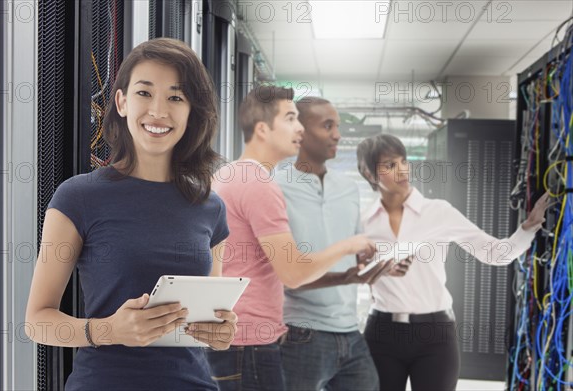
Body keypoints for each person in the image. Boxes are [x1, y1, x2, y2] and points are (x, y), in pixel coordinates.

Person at [25, 38, 238, 390]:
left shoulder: (210, 207)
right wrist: (109, 330)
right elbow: (37, 321)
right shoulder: (78, 196)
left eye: (175, 97)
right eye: (144, 93)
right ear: (122, 101)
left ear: (191, 111)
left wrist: (220, 331)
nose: (158, 111)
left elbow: (207, 314)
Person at [205, 86, 377, 391]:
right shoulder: (260, 183)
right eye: (290, 119)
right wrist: (350, 245)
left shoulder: (229, 175)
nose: (299, 128)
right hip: (249, 344)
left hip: (231, 340)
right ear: (262, 129)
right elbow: (294, 273)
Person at [356, 134, 550, 391]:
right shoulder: (363, 221)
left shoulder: (438, 212)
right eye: (390, 165)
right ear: (369, 174)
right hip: (381, 333)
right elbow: (346, 272)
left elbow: (494, 253)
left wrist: (529, 227)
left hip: (434, 334)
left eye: (403, 161)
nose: (402, 170)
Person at [275, 97, 410, 391]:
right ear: (298, 130)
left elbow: (355, 252)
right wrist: (347, 276)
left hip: (349, 331)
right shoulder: (274, 187)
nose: (337, 134)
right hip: (300, 330)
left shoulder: (347, 188)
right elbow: (281, 276)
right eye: (327, 126)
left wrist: (381, 266)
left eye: (337, 126)